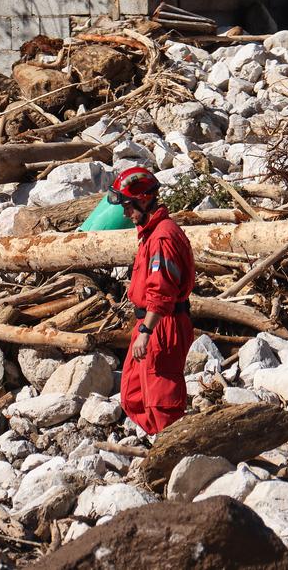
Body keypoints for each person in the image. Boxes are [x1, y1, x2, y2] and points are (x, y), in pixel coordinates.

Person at [113, 166, 196, 435]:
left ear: (144, 199)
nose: (125, 213)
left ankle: (173, 451)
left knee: (162, 400)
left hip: (162, 324)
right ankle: (159, 442)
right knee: (133, 394)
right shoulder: (151, 234)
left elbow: (162, 291)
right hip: (150, 322)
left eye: (128, 206)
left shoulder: (162, 237)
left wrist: (147, 332)